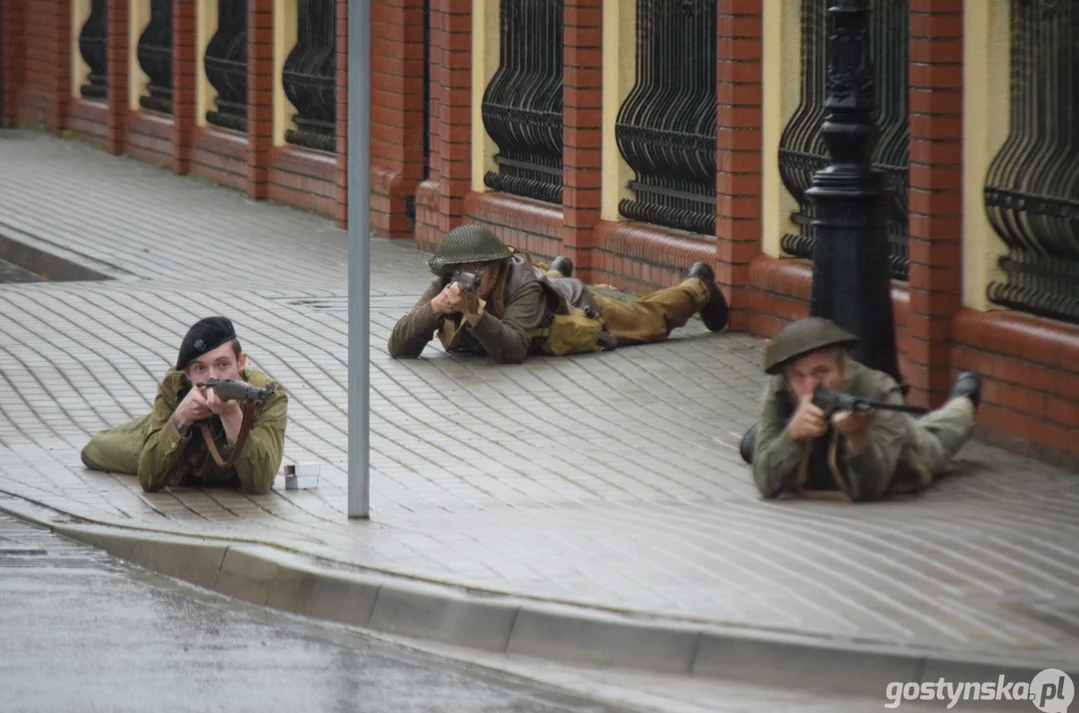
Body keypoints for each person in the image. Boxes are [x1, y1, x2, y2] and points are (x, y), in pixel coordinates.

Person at [387, 224, 730, 363]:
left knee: (648, 319)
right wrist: (434, 307)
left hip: (577, 307)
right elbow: (398, 346)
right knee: (544, 282)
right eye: (465, 269)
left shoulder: (523, 285)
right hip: (543, 290)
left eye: (480, 269)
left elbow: (513, 350)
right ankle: (556, 271)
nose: (471, 278)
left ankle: (697, 287)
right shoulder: (446, 284)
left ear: (496, 263)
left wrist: (475, 315)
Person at [740, 316, 982, 502]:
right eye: (799, 377)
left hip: (905, 453)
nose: (810, 386)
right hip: (814, 461)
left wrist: (859, 438)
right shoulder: (780, 389)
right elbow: (765, 484)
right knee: (759, 446)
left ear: (844, 366)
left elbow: (872, 489)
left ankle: (964, 399)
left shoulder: (878, 389)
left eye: (821, 373)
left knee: (938, 434)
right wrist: (792, 434)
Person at [80, 316, 288, 495]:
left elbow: (260, 483)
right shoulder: (176, 387)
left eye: (222, 364)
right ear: (187, 374)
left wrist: (231, 414)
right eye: (200, 368)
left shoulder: (266, 395)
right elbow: (149, 479)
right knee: (94, 450)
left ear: (241, 362)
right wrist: (181, 418)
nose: (213, 376)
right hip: (159, 433)